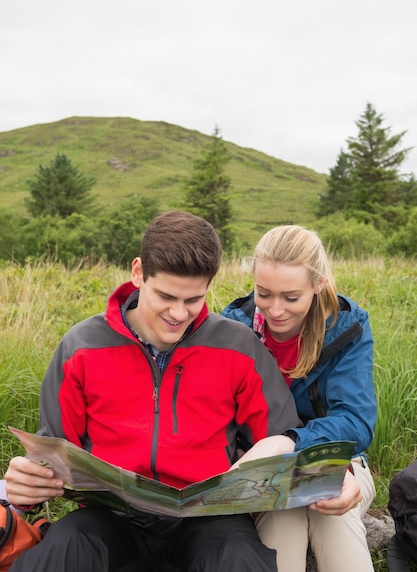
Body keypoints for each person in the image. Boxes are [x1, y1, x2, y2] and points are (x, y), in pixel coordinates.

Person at [4, 210, 303, 572]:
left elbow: (283, 435)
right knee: (65, 547)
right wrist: (27, 485)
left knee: (239, 559)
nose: (179, 313)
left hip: (208, 522)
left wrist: (281, 452)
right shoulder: (81, 347)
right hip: (110, 519)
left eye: (193, 299)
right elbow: (52, 449)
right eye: (166, 296)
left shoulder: (239, 346)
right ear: (138, 273)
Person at [221, 224, 377, 572]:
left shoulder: (347, 327)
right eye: (263, 294)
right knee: (282, 521)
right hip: (261, 473)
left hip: (339, 462)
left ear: (318, 284)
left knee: (332, 514)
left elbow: (356, 420)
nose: (275, 310)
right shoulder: (232, 329)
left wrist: (289, 442)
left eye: (291, 297)